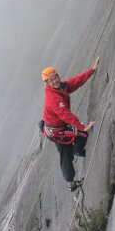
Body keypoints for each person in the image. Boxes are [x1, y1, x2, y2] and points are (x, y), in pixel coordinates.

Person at [41, 57, 100, 192]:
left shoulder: (61, 87)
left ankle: (76, 153)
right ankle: (70, 181)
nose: (55, 81)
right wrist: (82, 127)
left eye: (56, 77)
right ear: (47, 83)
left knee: (73, 143)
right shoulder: (53, 97)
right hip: (55, 130)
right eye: (51, 80)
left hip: (57, 126)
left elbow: (75, 82)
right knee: (70, 147)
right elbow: (65, 115)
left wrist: (91, 70)